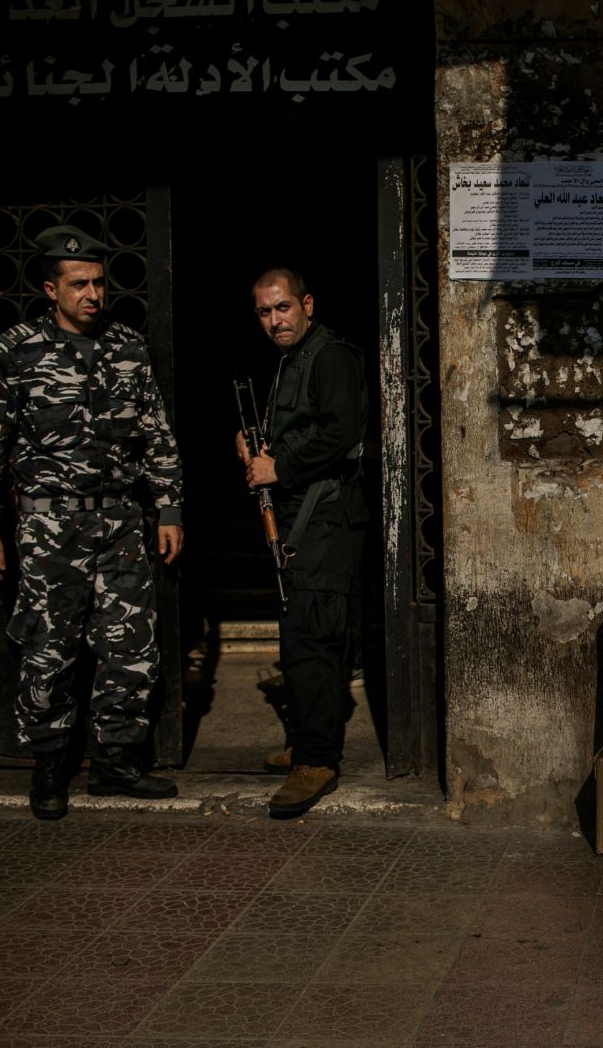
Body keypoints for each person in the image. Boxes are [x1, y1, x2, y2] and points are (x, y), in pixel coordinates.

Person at [0, 224, 184, 820]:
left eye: (99, 283)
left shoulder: (127, 346)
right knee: (48, 650)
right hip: (49, 527)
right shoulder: (18, 349)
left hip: (121, 523)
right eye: (78, 283)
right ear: (50, 289)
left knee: (131, 648)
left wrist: (168, 506)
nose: (92, 293)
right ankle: (50, 766)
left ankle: (116, 765)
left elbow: (156, 431)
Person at [236, 268, 367, 819]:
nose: (275, 321)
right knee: (312, 636)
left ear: (306, 304)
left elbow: (340, 432)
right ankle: (313, 738)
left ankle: (315, 761)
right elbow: (301, 425)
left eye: (283, 308)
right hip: (305, 521)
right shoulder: (294, 360)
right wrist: (256, 443)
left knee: (309, 637)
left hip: (326, 521)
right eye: (265, 312)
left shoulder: (330, 356)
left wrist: (278, 466)